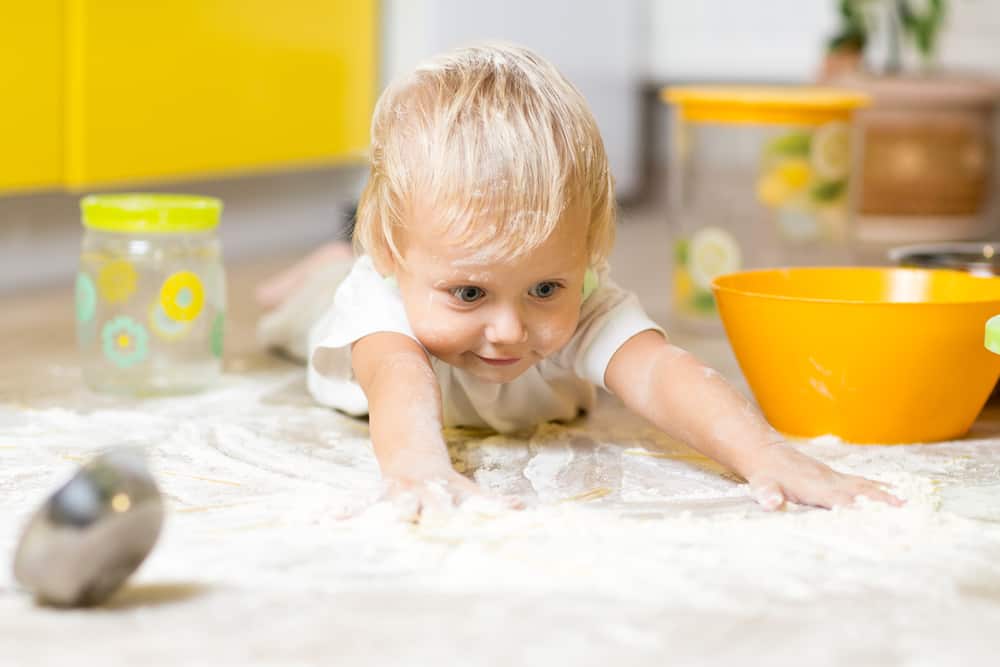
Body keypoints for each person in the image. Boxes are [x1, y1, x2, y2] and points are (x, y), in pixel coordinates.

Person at [257, 43, 901, 517]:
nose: (509, 330)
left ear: (587, 253)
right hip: (337, 301)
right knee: (301, 314)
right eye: (470, 293)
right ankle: (327, 264)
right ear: (394, 255)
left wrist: (768, 455)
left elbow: (661, 373)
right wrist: (420, 470)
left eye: (545, 289)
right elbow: (399, 384)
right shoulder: (382, 296)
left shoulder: (586, 298)